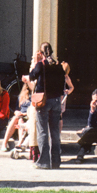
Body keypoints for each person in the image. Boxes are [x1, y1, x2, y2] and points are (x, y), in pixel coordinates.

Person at [29, 42, 66, 170]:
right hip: (56, 100)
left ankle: (44, 162)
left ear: (40, 53)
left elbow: (31, 76)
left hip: (43, 101)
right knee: (55, 132)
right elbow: (62, 83)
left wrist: (36, 63)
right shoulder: (57, 65)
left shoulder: (41, 65)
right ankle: (56, 161)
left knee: (43, 131)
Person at [1, 81, 31, 151]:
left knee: (20, 120)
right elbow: (17, 108)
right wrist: (16, 112)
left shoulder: (34, 96)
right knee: (16, 118)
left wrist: (24, 114)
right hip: (20, 115)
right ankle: (4, 142)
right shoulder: (21, 96)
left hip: (29, 116)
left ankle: (20, 143)